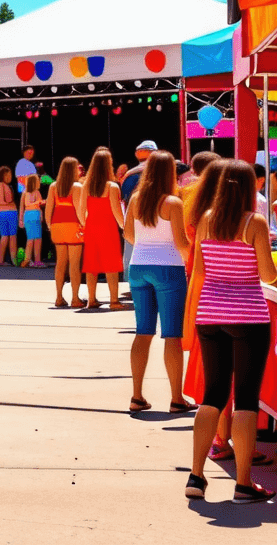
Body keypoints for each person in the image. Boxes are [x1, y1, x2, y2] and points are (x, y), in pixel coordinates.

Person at [186, 160, 277, 503]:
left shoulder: (207, 218)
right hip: (249, 318)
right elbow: (268, 276)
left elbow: (199, 270)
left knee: (213, 394)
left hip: (209, 315)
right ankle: (243, 484)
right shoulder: (253, 222)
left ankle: (196, 476)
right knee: (246, 398)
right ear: (247, 189)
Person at [123, 150, 192, 415]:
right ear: (169, 174)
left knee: (143, 332)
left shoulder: (136, 199)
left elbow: (129, 234)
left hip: (139, 267)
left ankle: (137, 395)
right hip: (169, 269)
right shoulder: (173, 203)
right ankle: (176, 398)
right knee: (172, 334)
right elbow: (181, 243)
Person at [78, 148, 125, 310]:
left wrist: (85, 225)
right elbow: (117, 212)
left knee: (91, 264)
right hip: (108, 228)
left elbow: (80, 210)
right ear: (108, 165)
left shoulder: (86, 186)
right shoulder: (112, 186)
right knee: (111, 264)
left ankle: (91, 299)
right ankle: (114, 301)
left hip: (91, 227)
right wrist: (125, 227)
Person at [45, 157, 84, 308]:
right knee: (74, 264)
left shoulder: (54, 186)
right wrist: (84, 225)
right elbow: (78, 209)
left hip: (57, 225)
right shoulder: (77, 187)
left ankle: (59, 297)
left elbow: (49, 209)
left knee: (60, 263)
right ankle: (75, 298)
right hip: (73, 225)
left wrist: (50, 226)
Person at [121, 140, 157, 269]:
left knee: (132, 255)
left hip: (134, 218)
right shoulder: (160, 173)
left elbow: (123, 199)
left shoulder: (128, 176)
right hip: (156, 219)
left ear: (137, 154)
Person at [0, 167, 18, 266]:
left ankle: (4, 260)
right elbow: (1, 201)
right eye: (7, 175)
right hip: (8, 213)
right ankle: (11, 259)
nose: (10, 177)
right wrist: (11, 203)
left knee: (8, 236)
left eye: (10, 175)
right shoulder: (1, 185)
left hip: (2, 213)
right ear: (2, 175)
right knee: (10, 236)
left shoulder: (6, 186)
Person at [19, 174, 44, 267]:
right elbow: (36, 204)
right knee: (37, 239)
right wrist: (40, 203)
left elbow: (22, 207)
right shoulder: (37, 192)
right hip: (35, 216)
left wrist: (20, 219)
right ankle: (37, 261)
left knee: (30, 239)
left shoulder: (24, 192)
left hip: (28, 217)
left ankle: (28, 259)